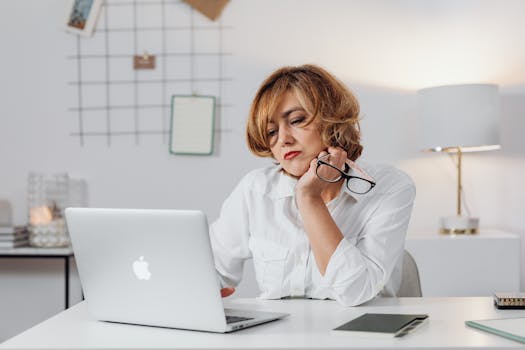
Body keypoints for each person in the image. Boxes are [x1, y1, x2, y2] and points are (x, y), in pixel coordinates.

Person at [210, 64, 415, 306]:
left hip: (363, 333)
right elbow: (214, 272)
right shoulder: (255, 189)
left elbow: (354, 292)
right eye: (271, 132)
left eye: (296, 120)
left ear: (332, 120)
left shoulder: (389, 187)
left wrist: (309, 198)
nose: (284, 139)